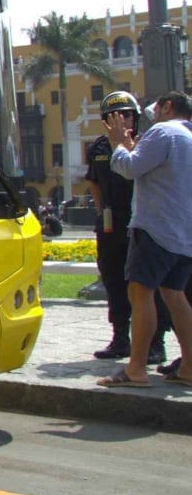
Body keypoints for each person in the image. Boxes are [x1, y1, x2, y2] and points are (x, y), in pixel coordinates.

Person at [97, 91, 192, 388]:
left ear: (167, 107)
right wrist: (129, 147)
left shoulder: (163, 131)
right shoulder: (188, 136)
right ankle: (189, 366)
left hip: (154, 228)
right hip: (183, 232)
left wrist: (116, 143)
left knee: (140, 294)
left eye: (157, 108)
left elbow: (129, 168)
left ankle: (136, 369)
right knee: (175, 297)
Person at [83, 91, 163, 362]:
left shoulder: (147, 145)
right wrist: (100, 209)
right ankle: (120, 338)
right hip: (110, 224)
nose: (119, 120)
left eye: (126, 114)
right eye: (111, 116)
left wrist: (126, 146)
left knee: (147, 285)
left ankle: (155, 343)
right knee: (113, 280)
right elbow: (93, 180)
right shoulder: (98, 148)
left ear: (136, 117)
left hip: (142, 224)